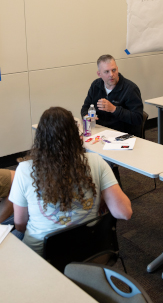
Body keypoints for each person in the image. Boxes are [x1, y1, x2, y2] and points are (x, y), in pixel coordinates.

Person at [9, 107, 132, 256]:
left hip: (43, 259)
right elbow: (124, 212)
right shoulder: (96, 161)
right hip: (90, 250)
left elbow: (20, 225)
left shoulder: (24, 170)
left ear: (40, 138)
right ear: (76, 135)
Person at [81, 54, 143, 137]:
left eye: (114, 70)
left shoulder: (130, 89)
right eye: (106, 71)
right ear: (99, 74)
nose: (111, 74)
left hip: (122, 135)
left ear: (117, 69)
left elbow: (138, 118)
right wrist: (87, 116)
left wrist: (114, 109)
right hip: (99, 131)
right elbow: (85, 108)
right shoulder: (95, 85)